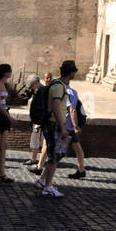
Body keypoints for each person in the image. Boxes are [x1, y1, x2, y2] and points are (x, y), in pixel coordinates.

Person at [37, 60, 78, 197]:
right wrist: (63, 127)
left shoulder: (58, 84)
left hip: (53, 123)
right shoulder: (59, 87)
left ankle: (43, 180)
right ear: (71, 72)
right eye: (74, 72)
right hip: (53, 124)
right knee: (54, 156)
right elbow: (55, 107)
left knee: (55, 154)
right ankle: (48, 187)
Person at [65, 80, 86, 179]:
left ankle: (41, 169)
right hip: (69, 125)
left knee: (50, 146)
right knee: (77, 147)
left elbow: (72, 110)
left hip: (67, 126)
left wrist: (75, 126)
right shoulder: (73, 92)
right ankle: (81, 169)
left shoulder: (65, 93)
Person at [22, 74, 43, 161]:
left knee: (37, 139)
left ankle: (36, 160)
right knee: (36, 139)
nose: (31, 88)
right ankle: (36, 159)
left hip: (39, 121)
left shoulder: (42, 91)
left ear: (36, 83)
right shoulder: (38, 91)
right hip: (37, 120)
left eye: (31, 86)